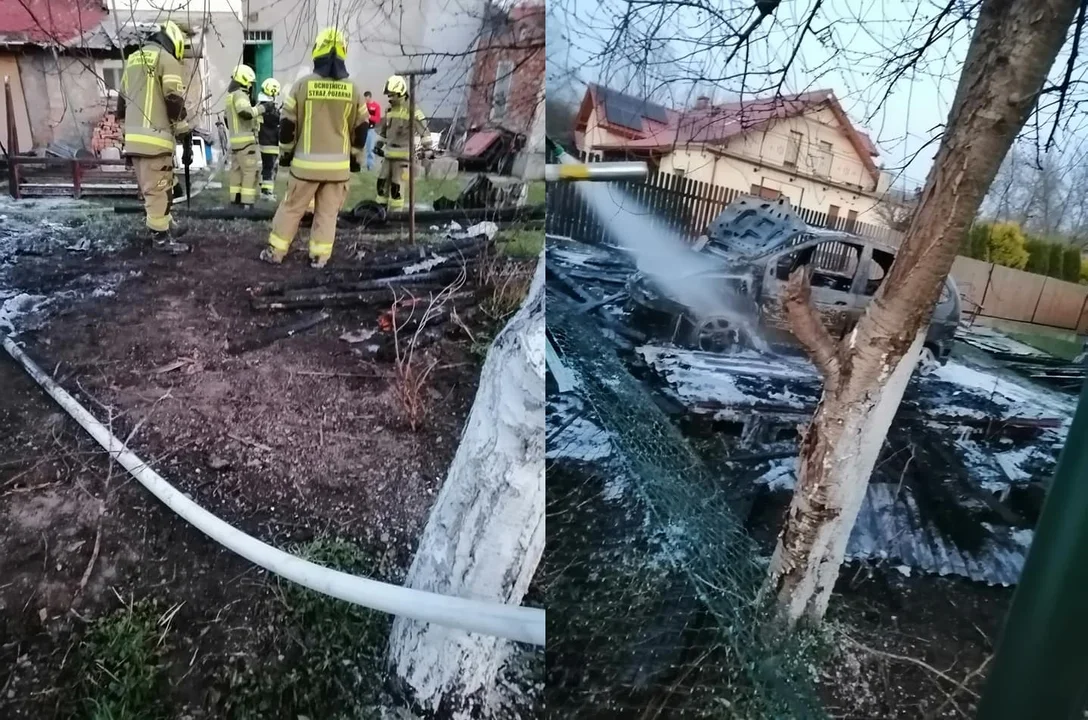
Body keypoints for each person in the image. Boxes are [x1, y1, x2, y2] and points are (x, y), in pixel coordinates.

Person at [260, 27, 368, 269]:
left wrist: (286, 154)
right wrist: (355, 157)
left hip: (305, 167)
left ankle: (275, 252)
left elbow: (287, 125)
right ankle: (319, 257)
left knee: (292, 209)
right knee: (327, 215)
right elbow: (361, 128)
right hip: (338, 169)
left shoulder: (302, 86)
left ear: (317, 51)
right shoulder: (353, 89)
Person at [117, 19, 192, 254]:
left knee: (159, 187)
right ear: (175, 42)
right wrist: (183, 130)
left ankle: (167, 226)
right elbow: (173, 99)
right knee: (159, 190)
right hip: (156, 141)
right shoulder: (166, 60)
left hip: (134, 141)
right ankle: (161, 241)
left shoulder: (132, 60)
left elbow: (121, 103)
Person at [374, 75, 433, 212]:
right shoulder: (390, 110)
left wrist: (428, 149)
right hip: (388, 156)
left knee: (396, 187)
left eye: (392, 95)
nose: (389, 98)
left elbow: (424, 131)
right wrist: (378, 145)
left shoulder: (412, 110)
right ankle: (380, 211)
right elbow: (385, 131)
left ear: (400, 93)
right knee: (381, 184)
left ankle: (395, 215)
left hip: (403, 158)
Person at [224, 64, 264, 207]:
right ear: (245, 80)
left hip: (235, 142)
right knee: (249, 172)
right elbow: (244, 112)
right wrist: (261, 108)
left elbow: (226, 119)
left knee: (236, 171)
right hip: (246, 142)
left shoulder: (230, 97)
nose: (251, 87)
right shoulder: (240, 95)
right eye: (251, 83)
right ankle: (247, 204)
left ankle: (235, 201)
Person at [257, 77, 282, 200]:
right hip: (270, 142)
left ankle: (265, 190)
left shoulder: (260, 105)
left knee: (268, 167)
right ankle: (267, 193)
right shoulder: (269, 107)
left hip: (264, 141)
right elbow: (275, 120)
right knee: (270, 168)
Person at [363, 90, 381, 170]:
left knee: (370, 148)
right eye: (365, 99)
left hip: (370, 129)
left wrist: (370, 117)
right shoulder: (363, 105)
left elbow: (377, 119)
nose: (366, 100)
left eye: (367, 98)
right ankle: (360, 164)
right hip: (363, 128)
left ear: (370, 97)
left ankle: (370, 165)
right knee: (361, 147)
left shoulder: (376, 106)